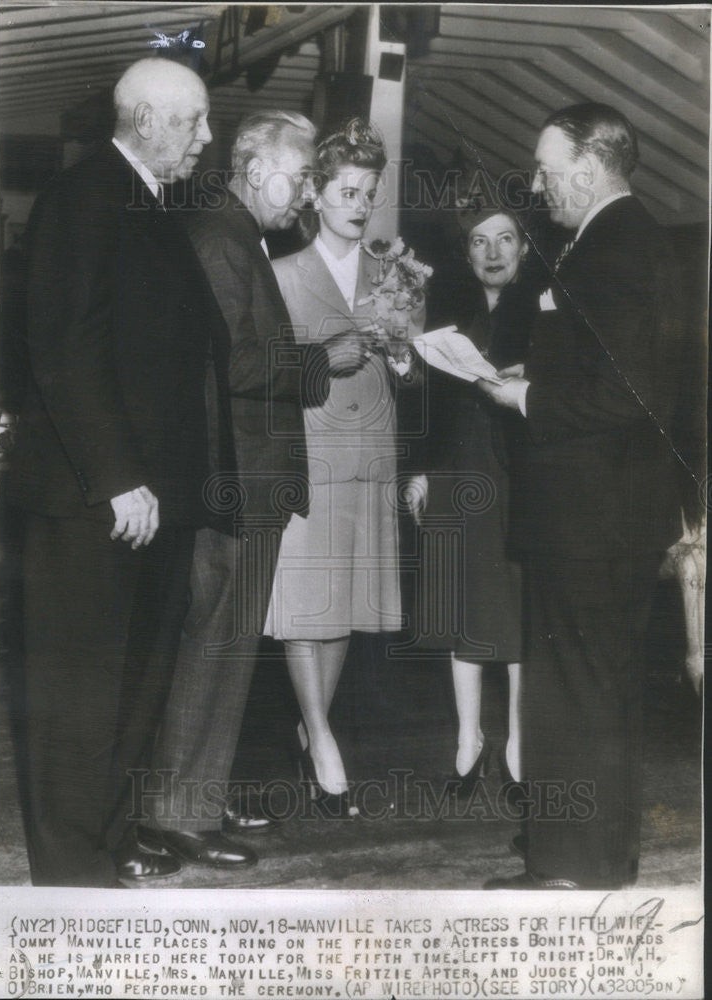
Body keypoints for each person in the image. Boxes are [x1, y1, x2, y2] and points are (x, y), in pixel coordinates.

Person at [138, 112, 373, 862]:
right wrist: (318, 362)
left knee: (229, 648)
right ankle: (177, 813)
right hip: (231, 479)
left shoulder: (237, 235)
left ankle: (196, 799)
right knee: (213, 647)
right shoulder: (219, 235)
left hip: (245, 477)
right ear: (253, 163)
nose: (306, 194)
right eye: (300, 175)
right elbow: (233, 366)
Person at [6, 57, 215, 886]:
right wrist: (119, 475)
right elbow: (63, 349)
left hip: (146, 499)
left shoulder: (146, 203)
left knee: (132, 685)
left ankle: (112, 838)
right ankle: (70, 868)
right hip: (94, 498)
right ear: (147, 120)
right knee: (77, 693)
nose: (206, 136)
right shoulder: (85, 196)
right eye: (195, 121)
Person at [479, 104, 686, 889]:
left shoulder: (612, 248)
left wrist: (521, 400)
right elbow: (612, 378)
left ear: (590, 166)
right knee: (599, 690)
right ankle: (596, 859)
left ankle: (570, 868)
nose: (536, 185)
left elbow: (625, 398)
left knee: (573, 694)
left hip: (589, 515)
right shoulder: (627, 240)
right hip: (609, 512)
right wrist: (538, 377)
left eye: (544, 169)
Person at [263, 119, 423, 816]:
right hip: (311, 452)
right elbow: (262, 374)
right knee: (305, 605)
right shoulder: (280, 276)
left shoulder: (396, 275)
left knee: (347, 607)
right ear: (315, 197)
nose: (358, 204)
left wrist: (406, 360)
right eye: (346, 191)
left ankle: (310, 729)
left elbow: (417, 376)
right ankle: (324, 742)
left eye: (367, 192)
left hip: (373, 455)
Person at [406, 203, 537, 794]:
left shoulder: (543, 316)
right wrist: (420, 471)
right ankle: (469, 742)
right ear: (467, 255)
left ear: (523, 250)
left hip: (521, 482)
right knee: (461, 613)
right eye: (480, 242)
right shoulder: (447, 318)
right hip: (458, 476)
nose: (493, 252)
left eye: (505, 240)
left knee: (516, 618)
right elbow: (424, 408)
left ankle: (517, 749)